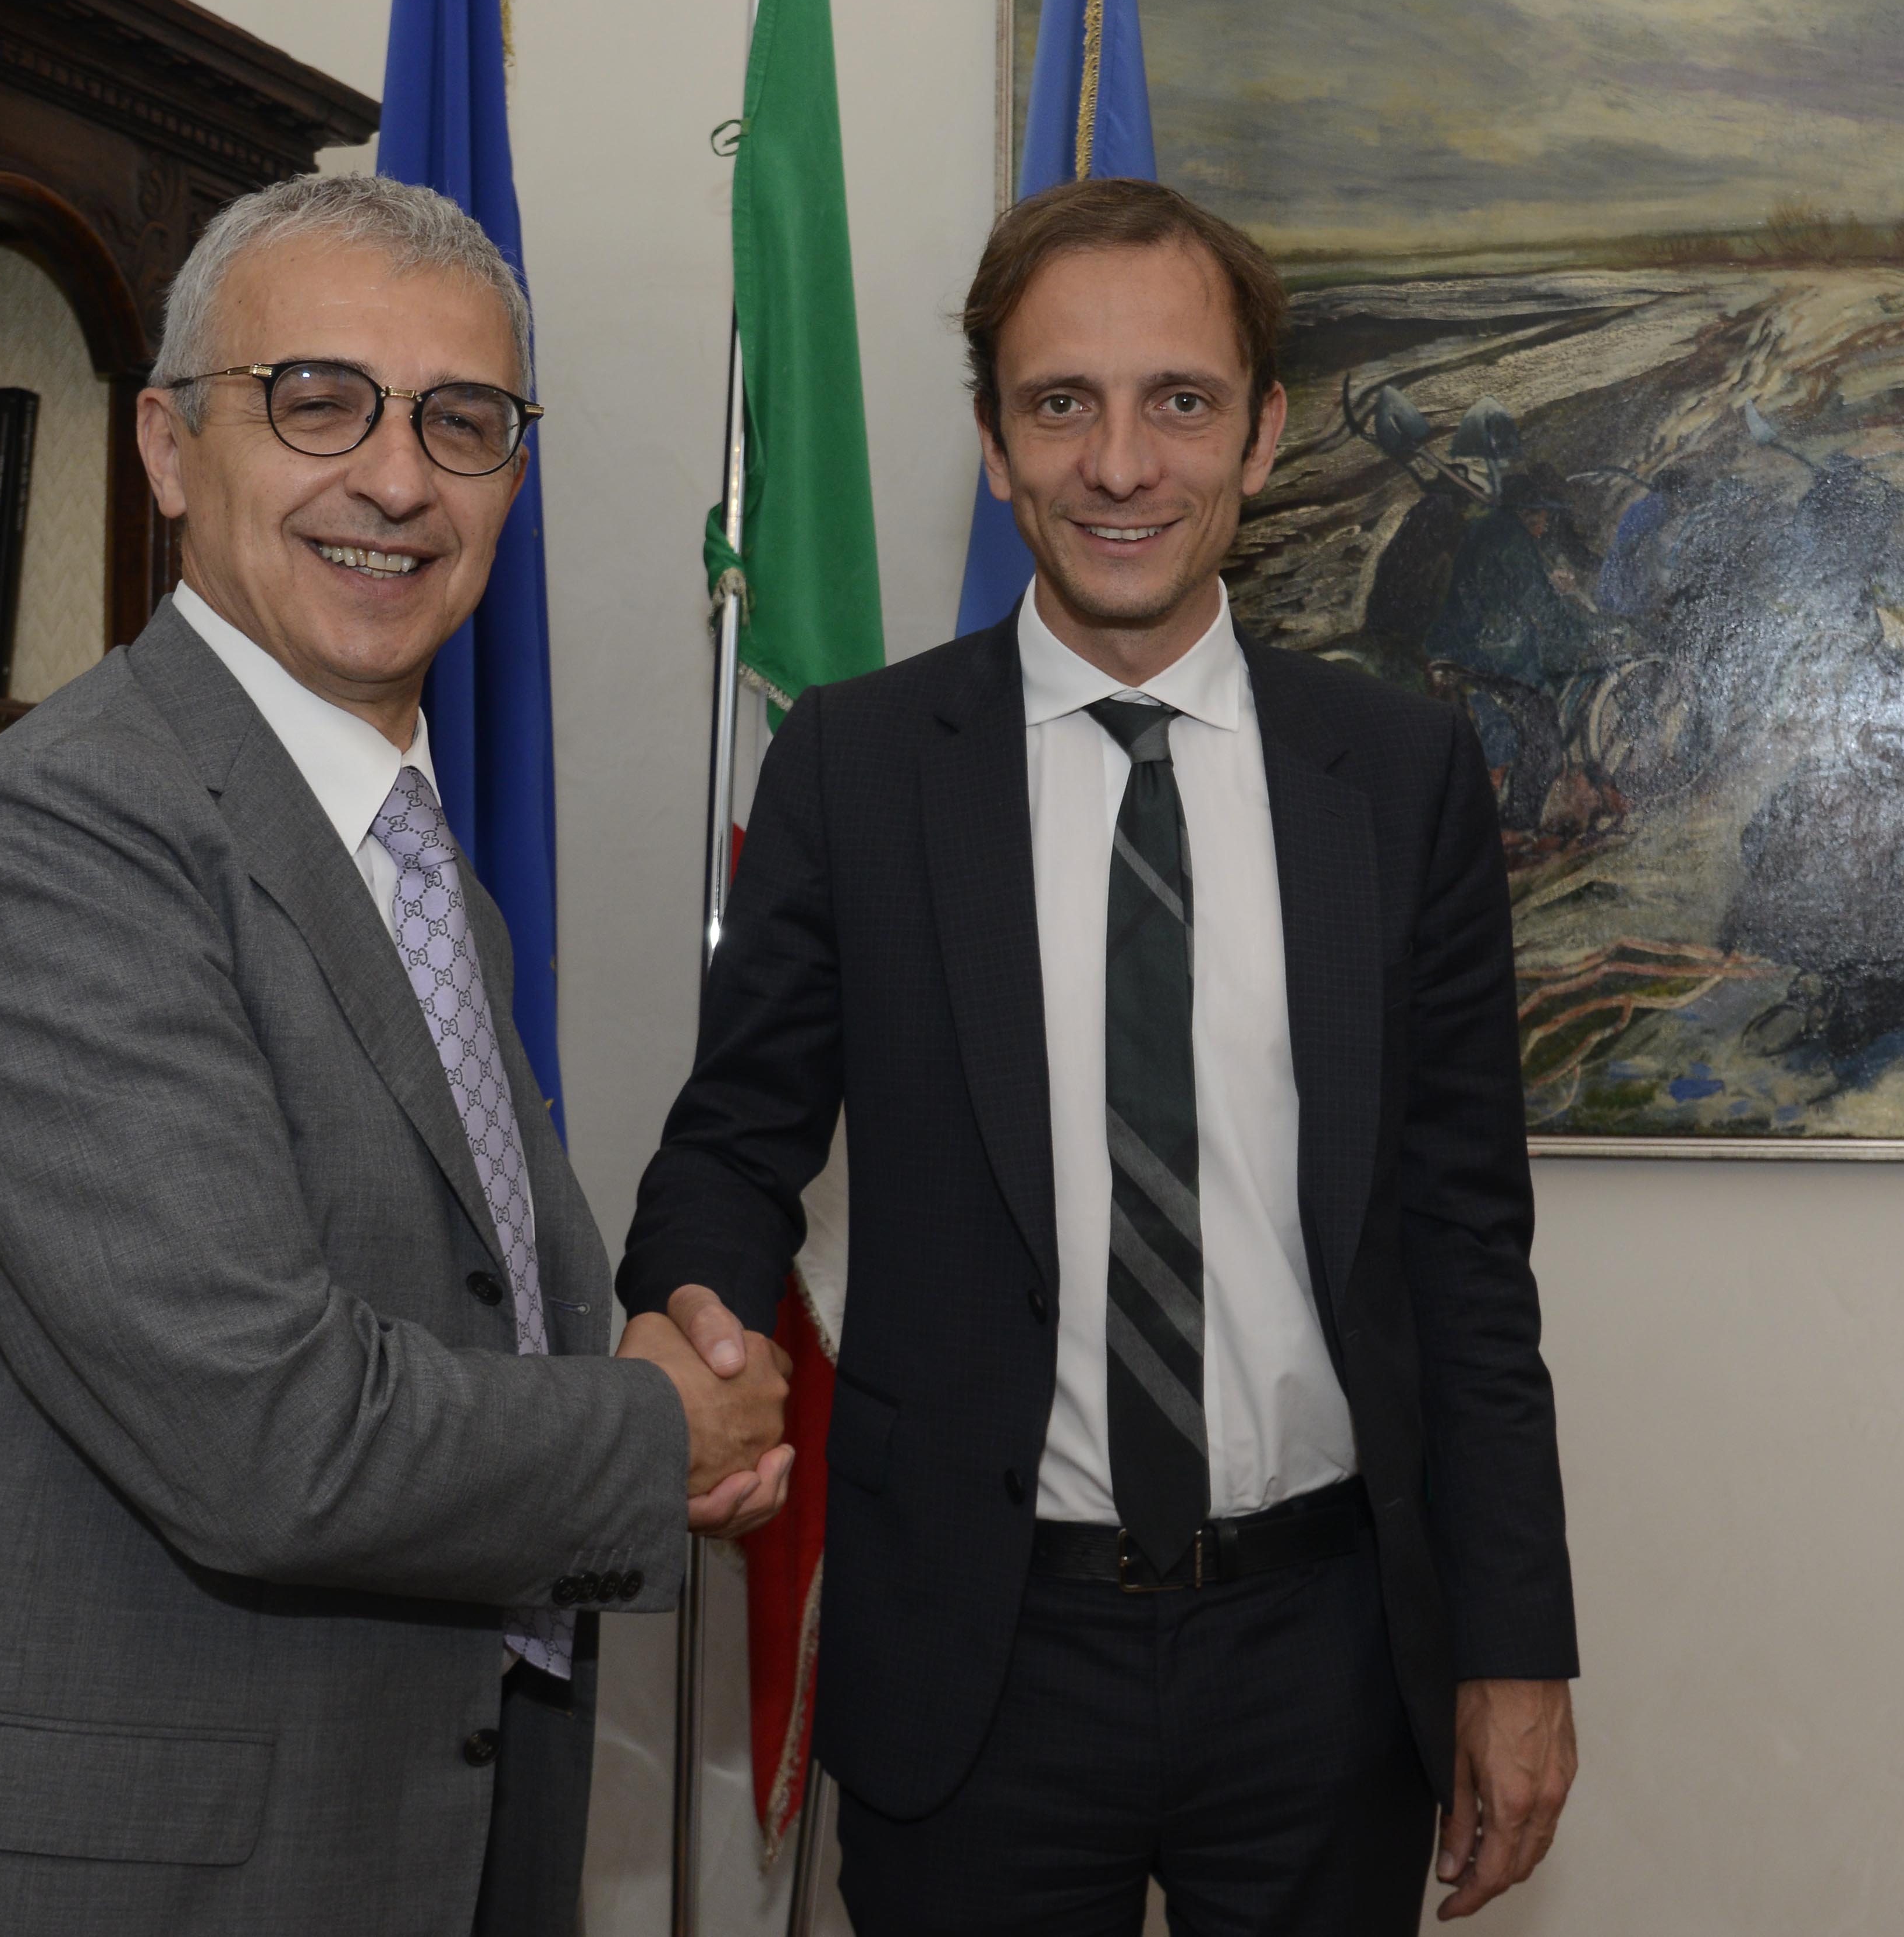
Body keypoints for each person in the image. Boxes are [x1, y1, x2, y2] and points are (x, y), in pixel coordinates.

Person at [0, 173, 792, 1937]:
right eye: (318, 400)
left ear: (510, 478)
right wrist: (655, 1429)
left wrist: (640, 1378)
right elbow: (265, 1429)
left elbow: (458, 1311)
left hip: (410, 1830)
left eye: (462, 421)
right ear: (170, 449)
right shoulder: (48, 841)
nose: (397, 480)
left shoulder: (415, 869)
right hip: (122, 1880)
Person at [626, 176, 1579, 1932]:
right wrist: (685, 1310)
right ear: (995, 445)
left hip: (1323, 1657)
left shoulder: (1399, 778)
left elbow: (1465, 1245)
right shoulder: (858, 767)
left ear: (1261, 435)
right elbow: (733, 1139)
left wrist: (1515, 1647)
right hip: (976, 1654)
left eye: (1178, 401)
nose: (1120, 464)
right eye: (1062, 402)